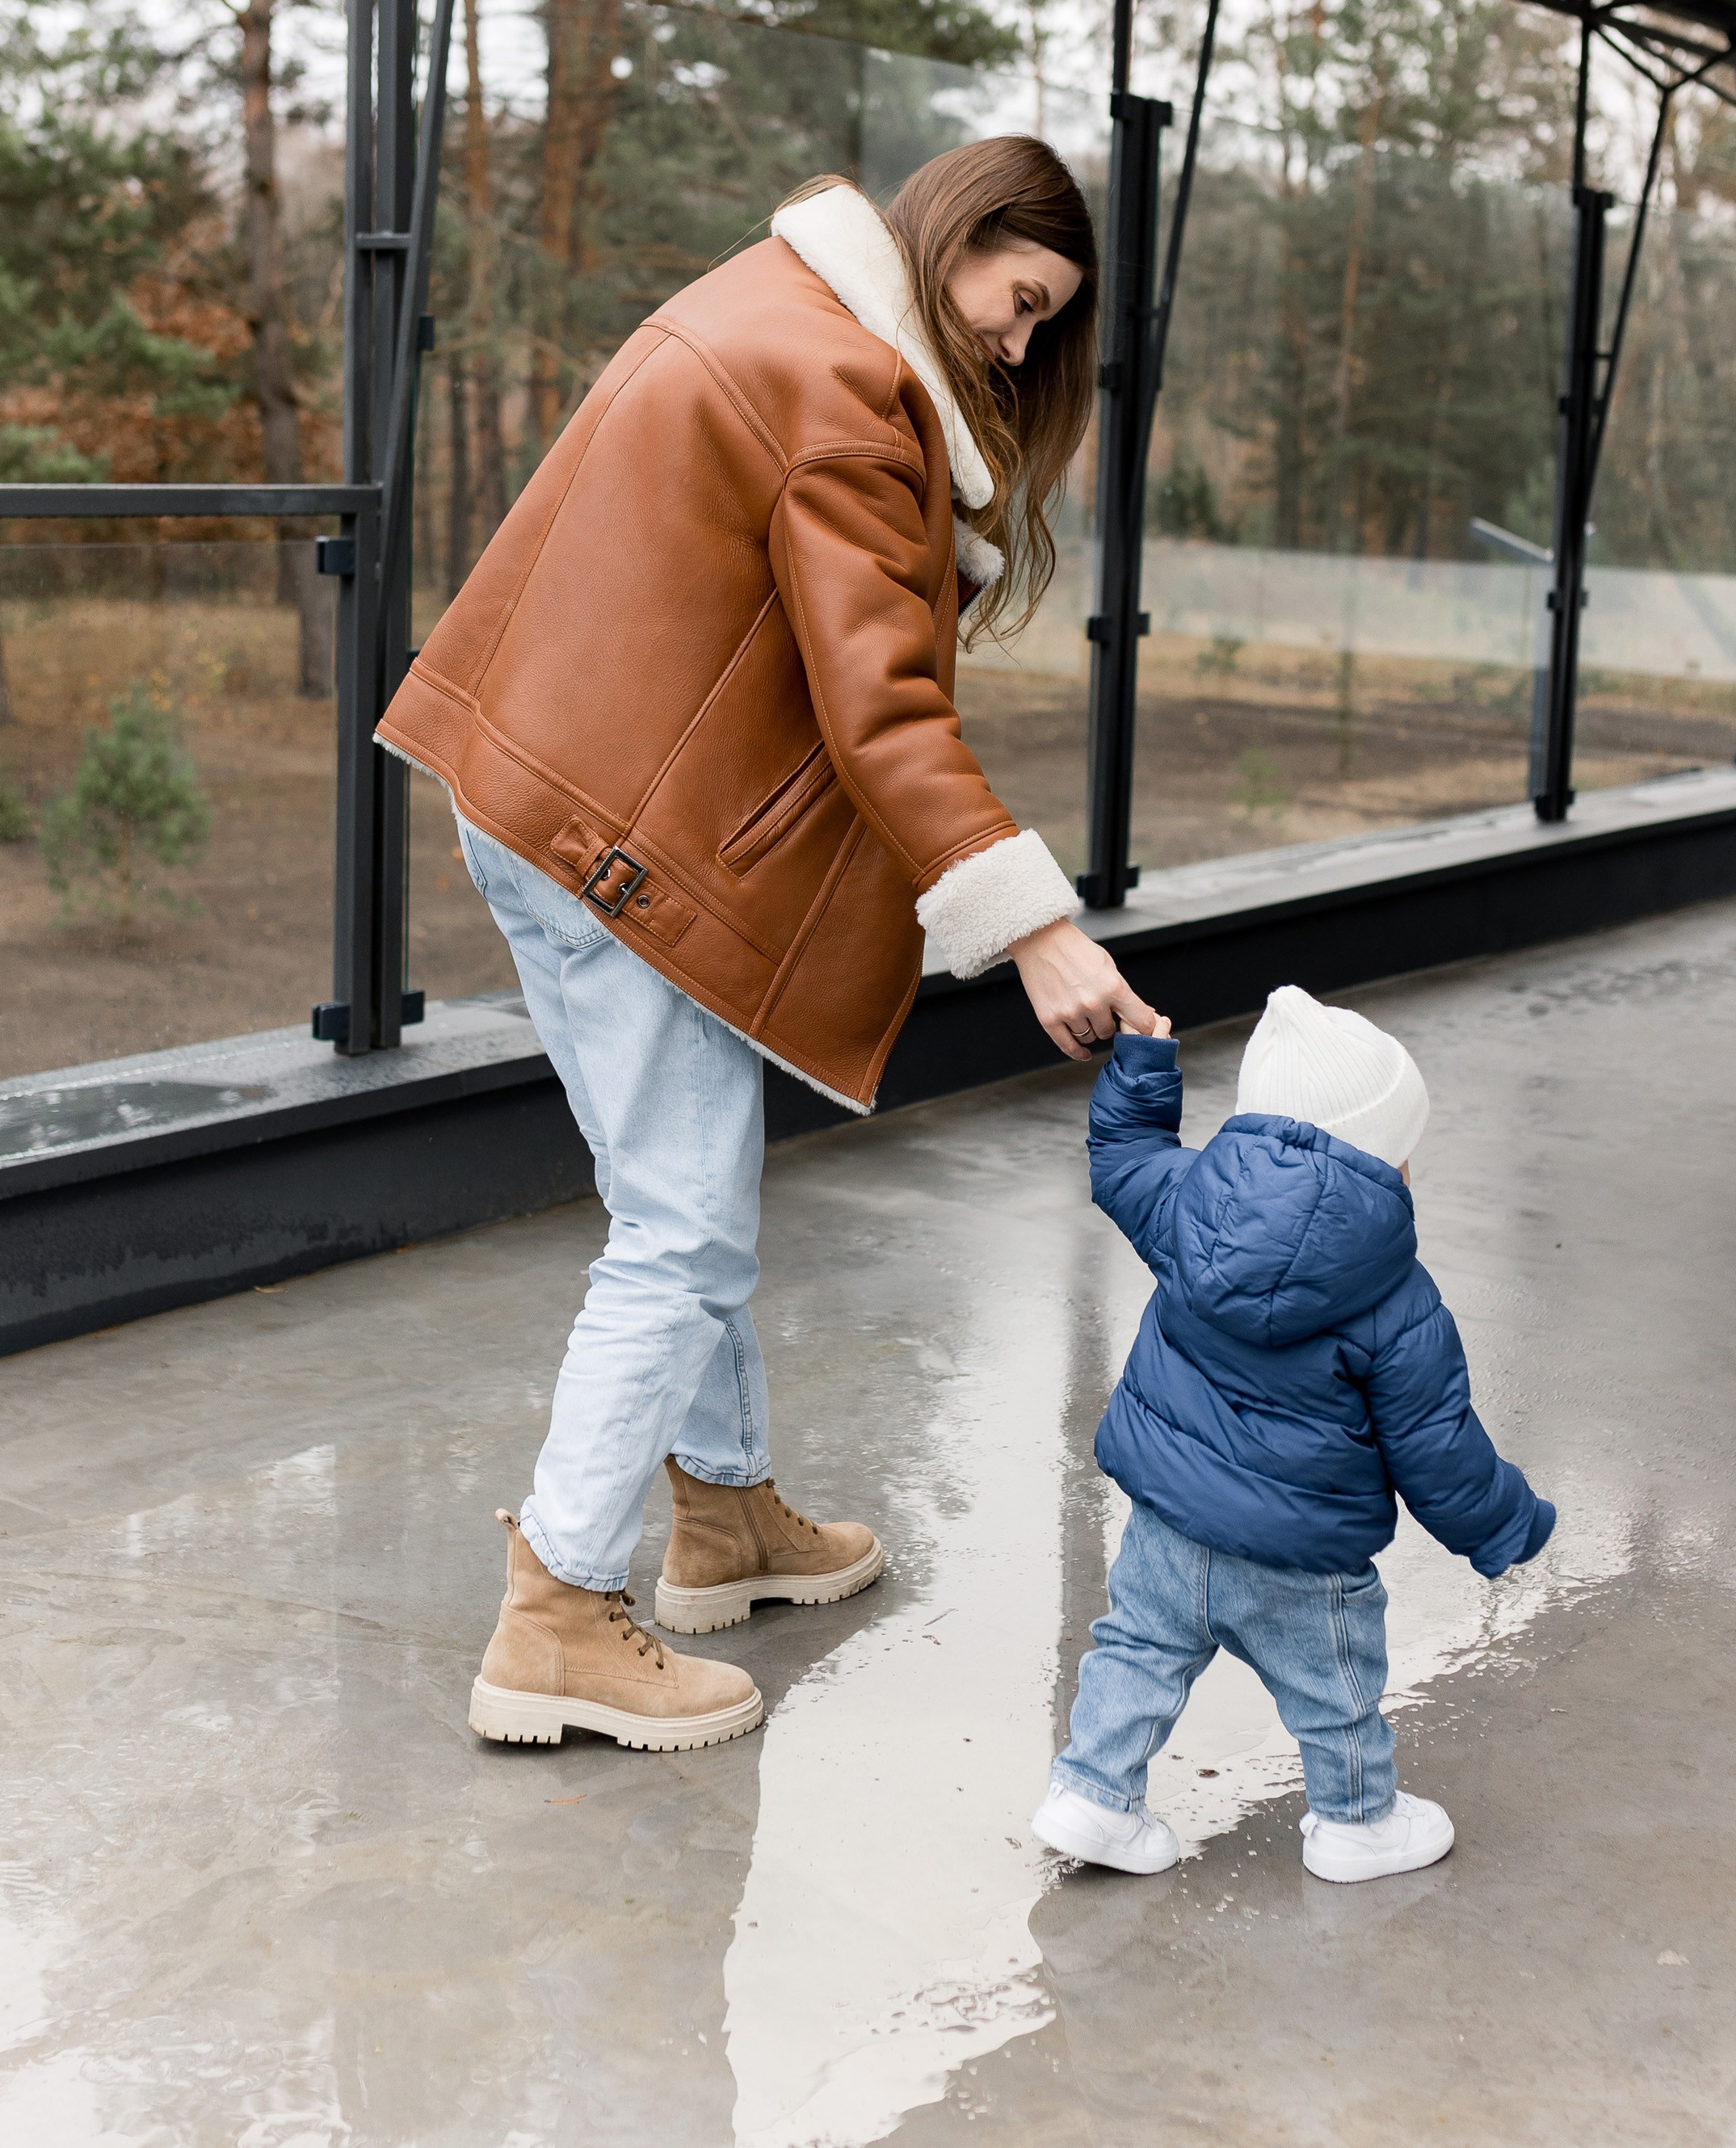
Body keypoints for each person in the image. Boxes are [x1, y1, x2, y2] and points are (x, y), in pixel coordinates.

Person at [377, 139, 1162, 1755]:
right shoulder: (845, 391)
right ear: (958, 241)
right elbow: (880, 709)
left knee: (681, 1194)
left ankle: (725, 1522)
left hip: (541, 789)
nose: (1018, 352)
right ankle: (556, 1618)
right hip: (612, 832)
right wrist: (1039, 931)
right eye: (1020, 306)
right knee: (674, 1230)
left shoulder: (772, 302)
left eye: (1040, 330)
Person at [1033, 985, 1555, 1880]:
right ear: (1383, 1155)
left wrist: (1144, 1065)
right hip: (1301, 1555)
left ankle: (1091, 1794)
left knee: (1138, 1650)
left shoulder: (1187, 1200)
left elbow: (1121, 1156)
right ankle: (1356, 1823)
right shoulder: (1398, 1298)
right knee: (1333, 1692)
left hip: (1169, 1520)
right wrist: (1505, 1524)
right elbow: (1437, 1447)